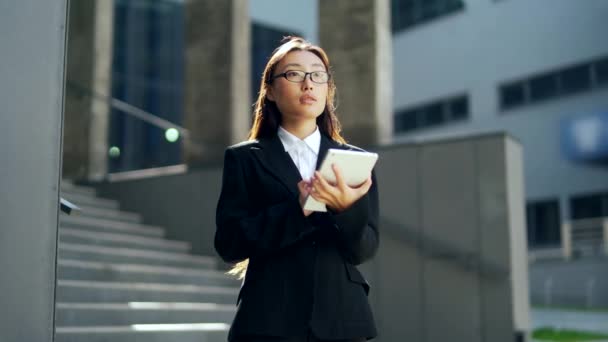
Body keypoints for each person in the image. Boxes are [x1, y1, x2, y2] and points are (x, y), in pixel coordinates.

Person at [214, 36, 379, 342]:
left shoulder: (354, 160)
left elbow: (364, 249)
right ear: (271, 91)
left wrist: (345, 211)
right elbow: (229, 244)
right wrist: (297, 211)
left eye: (318, 74)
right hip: (268, 319)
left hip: (341, 318)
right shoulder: (245, 158)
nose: (309, 83)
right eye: (294, 74)